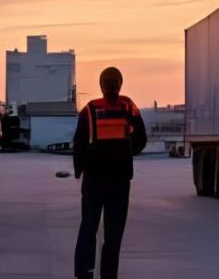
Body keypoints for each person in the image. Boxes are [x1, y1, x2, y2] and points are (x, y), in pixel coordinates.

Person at [72, 67, 147, 279]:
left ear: (101, 85)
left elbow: (78, 143)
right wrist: (125, 154)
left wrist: (81, 170)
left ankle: (84, 273)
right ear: (120, 84)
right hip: (120, 180)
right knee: (114, 233)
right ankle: (109, 274)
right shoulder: (128, 108)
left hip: (95, 180)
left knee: (88, 228)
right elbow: (141, 139)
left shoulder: (90, 109)